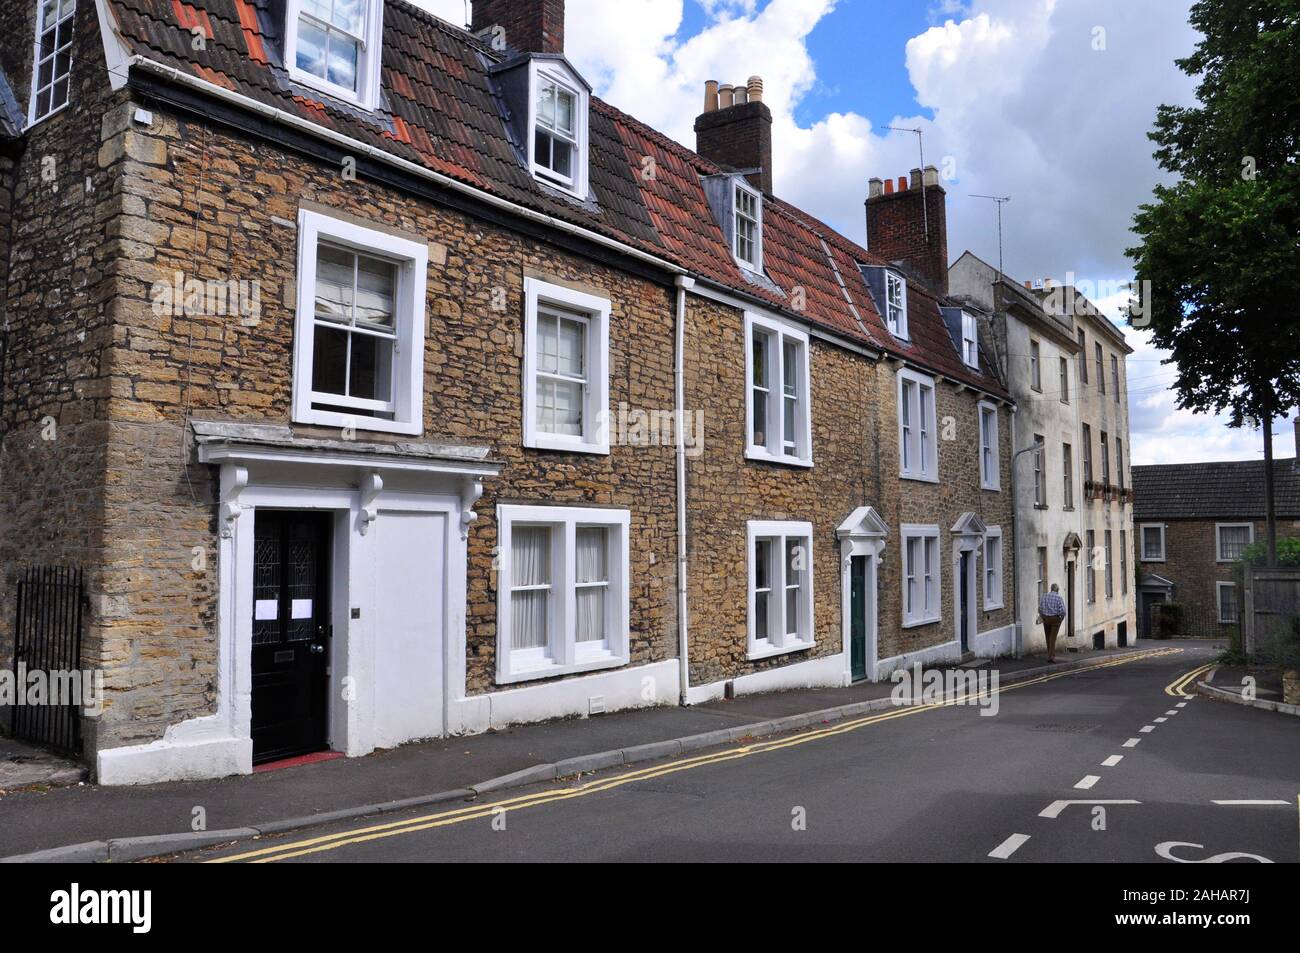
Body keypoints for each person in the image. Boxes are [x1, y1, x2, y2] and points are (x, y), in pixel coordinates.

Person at [1037, 583, 1067, 662]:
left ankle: (1049, 655)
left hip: (1046, 619)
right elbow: (1063, 611)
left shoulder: (1044, 596)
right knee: (1052, 638)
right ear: (1057, 590)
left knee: (1048, 637)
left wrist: (1042, 616)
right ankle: (1051, 657)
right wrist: (1061, 618)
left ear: (1051, 589)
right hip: (1055, 619)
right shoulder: (1059, 598)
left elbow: (1039, 608)